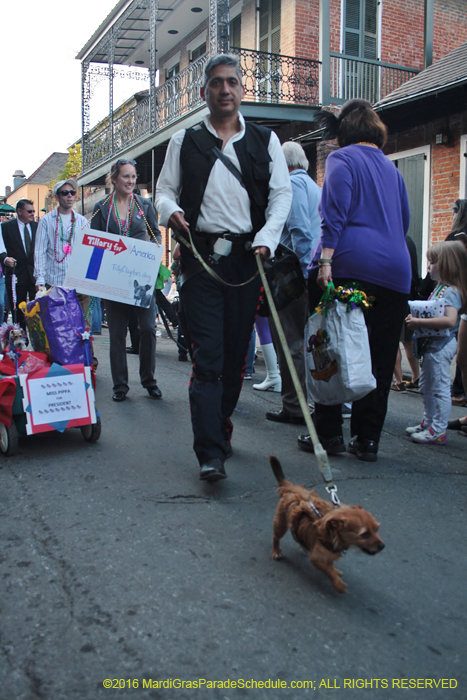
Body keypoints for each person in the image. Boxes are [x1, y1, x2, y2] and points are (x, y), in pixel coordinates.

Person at [155, 53, 292, 482]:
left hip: (247, 265)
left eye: (232, 82)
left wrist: (267, 239)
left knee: (235, 362)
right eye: (217, 83)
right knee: (209, 359)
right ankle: (209, 452)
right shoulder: (185, 140)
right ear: (204, 92)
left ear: (241, 90)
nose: (225, 89)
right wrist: (171, 211)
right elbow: (163, 192)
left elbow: (280, 197)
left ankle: (221, 426)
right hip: (200, 264)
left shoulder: (265, 141)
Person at [298, 98, 411, 462]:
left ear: (343, 134)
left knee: (329, 344)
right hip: (396, 270)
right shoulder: (393, 170)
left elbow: (334, 214)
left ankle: (330, 433)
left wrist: (325, 261)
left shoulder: (341, 159)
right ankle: (367, 440)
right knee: (379, 356)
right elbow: (404, 221)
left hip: (351, 266)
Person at [91, 159, 162, 402]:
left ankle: (149, 380)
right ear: (114, 179)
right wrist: (93, 277)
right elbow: (95, 243)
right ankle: (120, 385)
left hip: (141, 279)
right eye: (126, 176)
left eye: (133, 176)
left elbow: (155, 234)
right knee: (118, 334)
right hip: (114, 278)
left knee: (148, 329)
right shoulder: (102, 208)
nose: (131, 181)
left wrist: (152, 252)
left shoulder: (144, 205)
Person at [265, 141, 321, 423]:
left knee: (289, 341)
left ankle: (295, 406)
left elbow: (300, 231)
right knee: (302, 341)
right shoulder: (314, 187)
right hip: (308, 271)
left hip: (293, 275)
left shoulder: (293, 186)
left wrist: (304, 273)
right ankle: (304, 403)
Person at [406, 241, 467, 443]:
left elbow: (450, 320)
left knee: (439, 388)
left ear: (446, 265)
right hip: (432, 346)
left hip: (440, 346)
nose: (429, 267)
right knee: (426, 385)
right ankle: (429, 422)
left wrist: (419, 321)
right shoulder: (441, 288)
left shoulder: (450, 292)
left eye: (432, 262)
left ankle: (438, 429)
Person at [34, 179, 90, 318]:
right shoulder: (46, 221)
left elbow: (88, 250)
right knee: (56, 328)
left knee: (81, 328)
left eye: (72, 192)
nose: (70, 196)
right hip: (54, 282)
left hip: (78, 282)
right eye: (65, 193)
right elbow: (40, 251)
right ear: (57, 197)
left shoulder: (82, 221)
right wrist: (40, 279)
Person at [0, 199, 38, 330]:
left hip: (34, 274)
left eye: (33, 211)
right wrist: (5, 259)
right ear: (19, 212)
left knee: (36, 307)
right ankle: (20, 337)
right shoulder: (5, 228)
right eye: (29, 211)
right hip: (16, 274)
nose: (33, 214)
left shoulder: (37, 227)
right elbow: (1, 248)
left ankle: (35, 335)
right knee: (17, 309)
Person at [390, 235, 420, 391]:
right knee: (408, 341)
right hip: (410, 296)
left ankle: (398, 380)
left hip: (395, 296)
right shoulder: (409, 241)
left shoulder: (393, 240)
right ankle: (416, 377)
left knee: (393, 340)